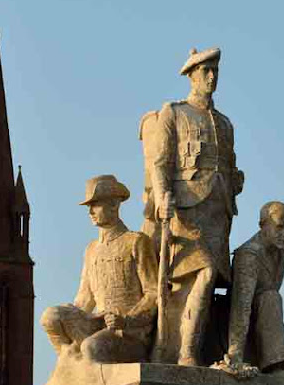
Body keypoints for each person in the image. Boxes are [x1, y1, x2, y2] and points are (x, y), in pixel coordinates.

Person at [151, 47, 244, 366]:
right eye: (205, 71)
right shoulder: (174, 113)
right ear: (191, 75)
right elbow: (160, 162)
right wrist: (162, 195)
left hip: (219, 211)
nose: (212, 77)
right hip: (185, 208)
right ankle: (184, 351)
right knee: (201, 273)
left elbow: (228, 165)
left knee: (212, 279)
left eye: (215, 71)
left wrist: (235, 181)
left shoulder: (225, 123)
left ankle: (195, 348)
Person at [41, 175, 158, 363]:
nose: (90, 211)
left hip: (128, 334)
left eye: (95, 204)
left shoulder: (136, 241)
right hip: (97, 325)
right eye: (89, 206)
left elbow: (153, 293)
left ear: (114, 204)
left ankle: (81, 359)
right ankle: (69, 362)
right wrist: (70, 315)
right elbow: (84, 301)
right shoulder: (91, 250)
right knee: (51, 316)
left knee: (91, 346)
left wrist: (126, 320)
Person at [225, 201, 284, 374]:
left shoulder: (283, 252)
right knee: (270, 298)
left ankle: (273, 361)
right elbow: (240, 307)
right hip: (230, 324)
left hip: (261, 317)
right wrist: (235, 355)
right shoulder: (249, 255)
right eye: (279, 227)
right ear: (263, 225)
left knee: (271, 297)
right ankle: (273, 362)